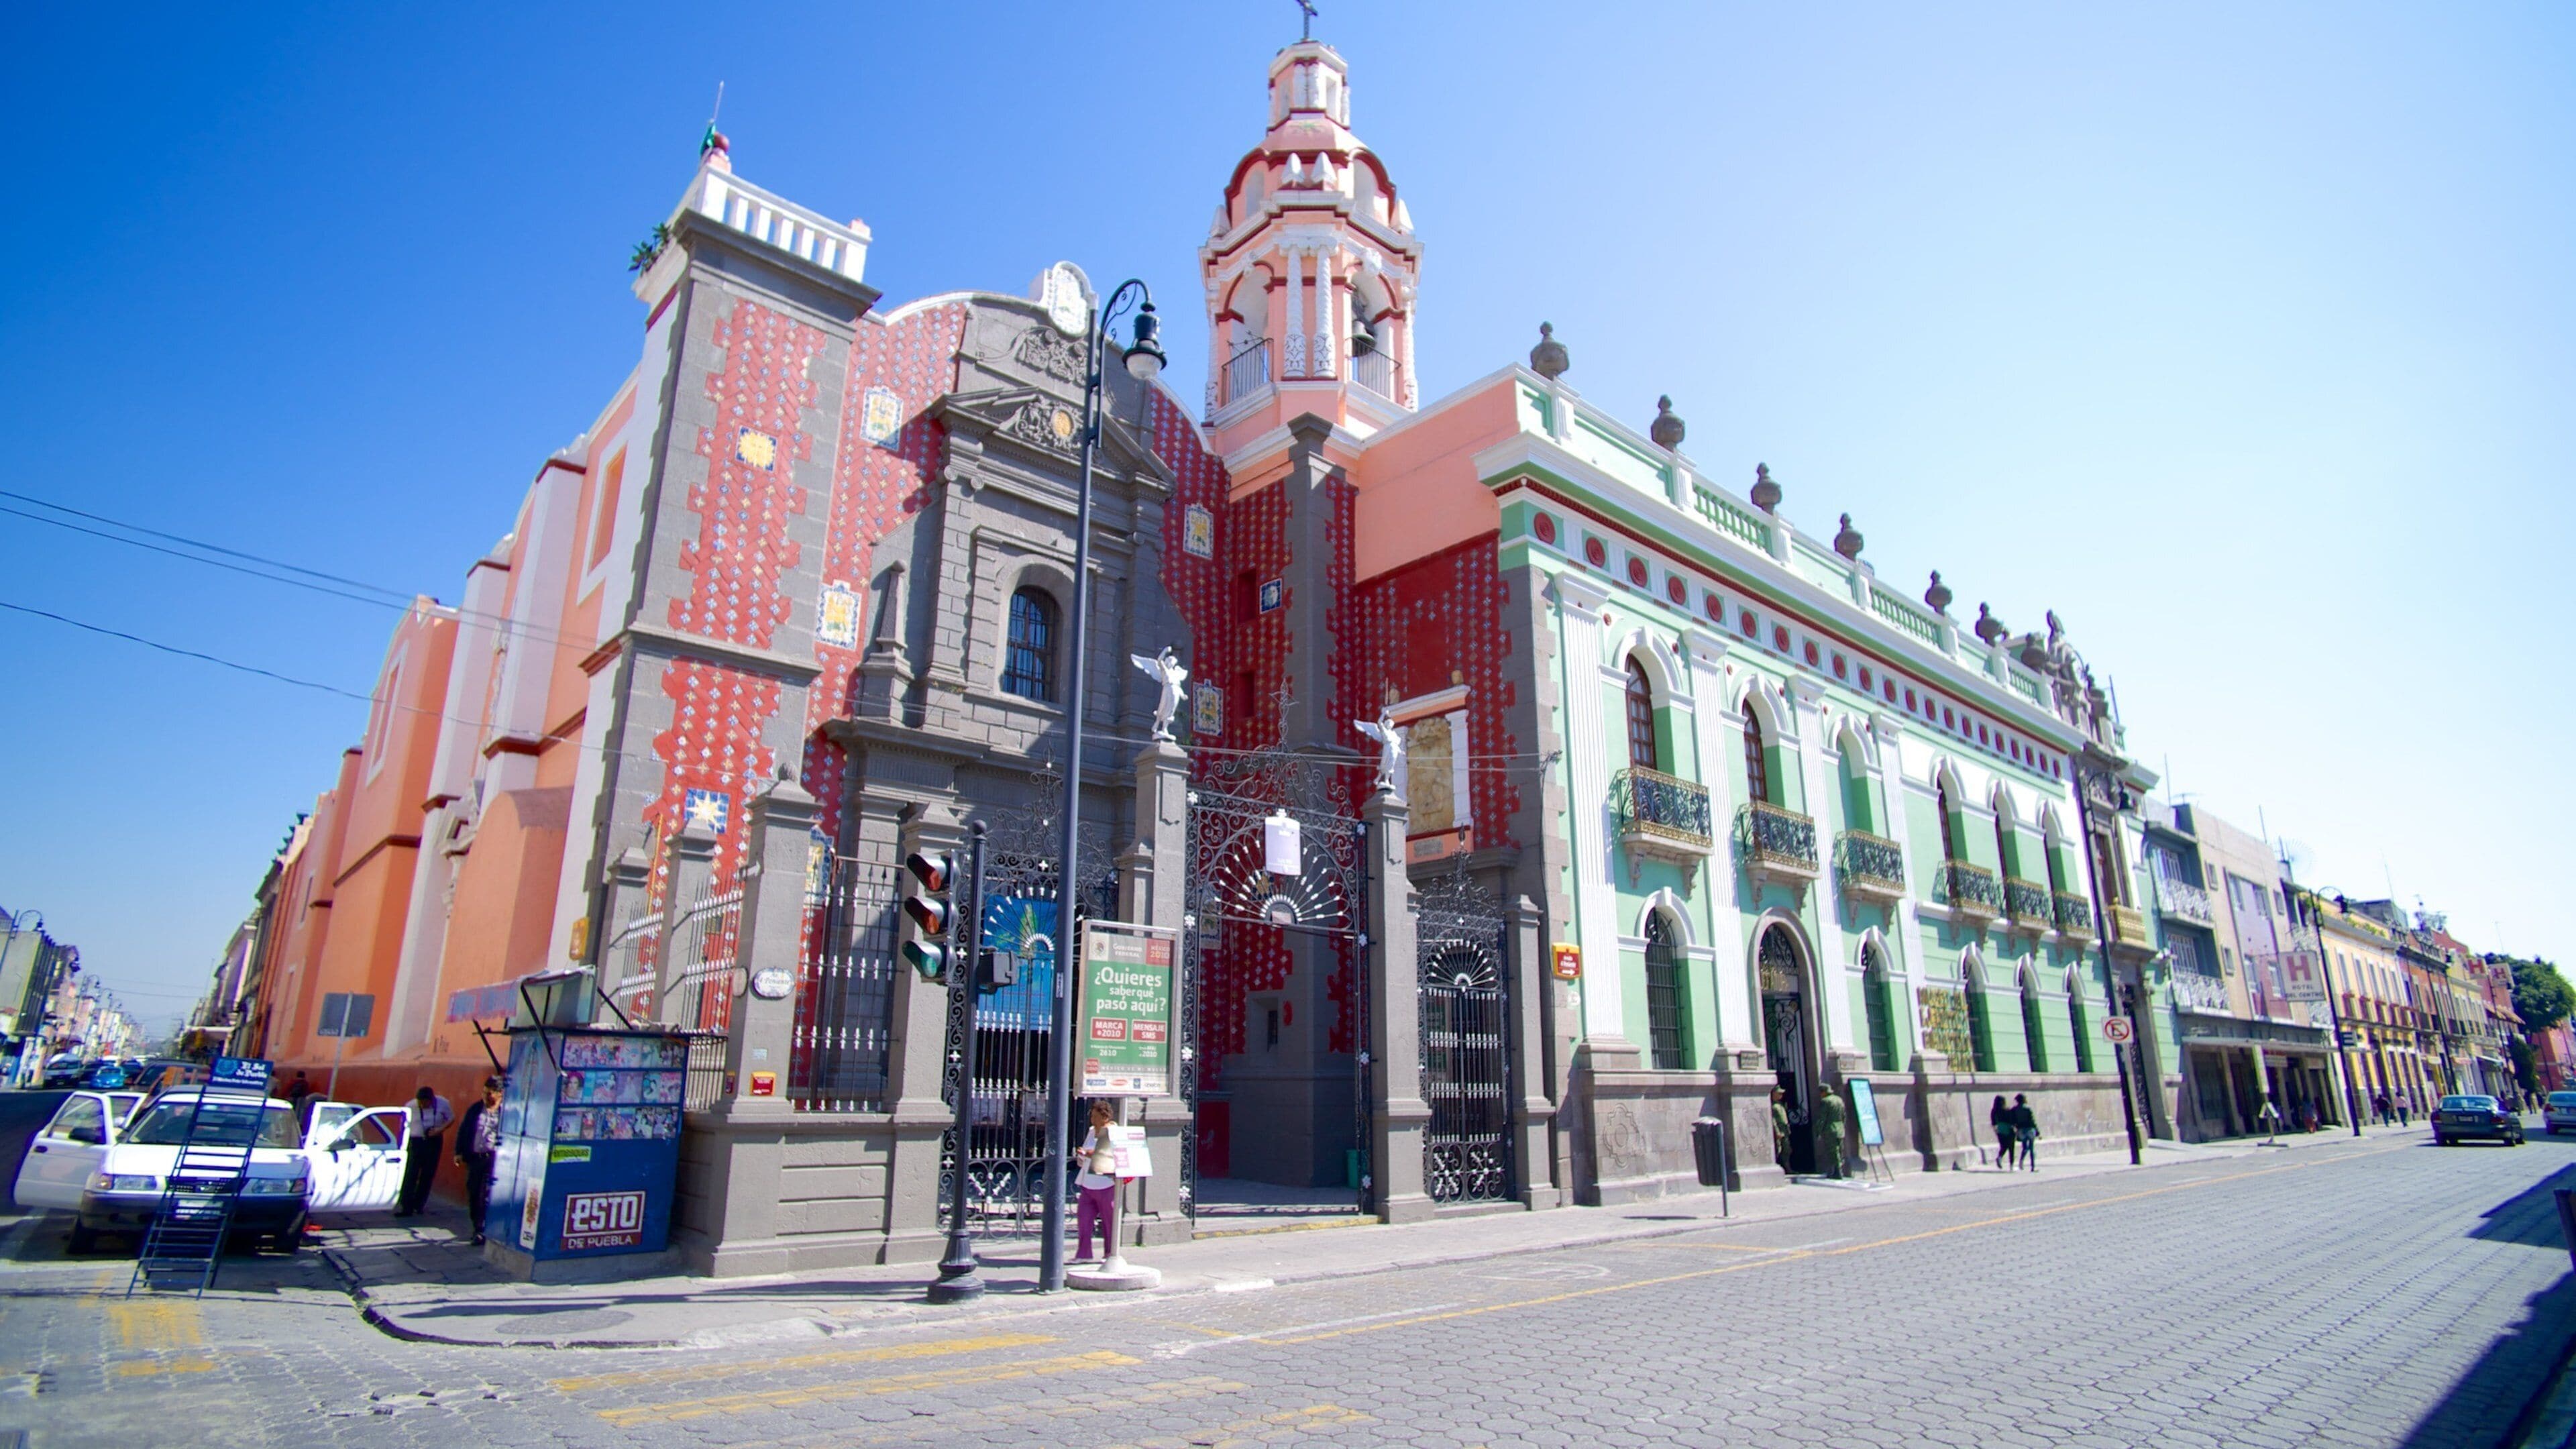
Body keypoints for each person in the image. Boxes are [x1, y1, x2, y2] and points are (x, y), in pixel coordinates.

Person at [453, 1076, 504, 1247]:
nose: (485, 1097)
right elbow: (464, 1129)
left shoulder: (506, 1112)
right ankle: (478, 1228)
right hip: (476, 1158)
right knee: (476, 1193)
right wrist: (459, 1152)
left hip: (496, 1159)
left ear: (500, 1094)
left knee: (492, 1195)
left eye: (489, 1094)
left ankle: (491, 1228)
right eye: (484, 1093)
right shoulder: (476, 1109)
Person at [396, 1085, 454, 1218]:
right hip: (416, 1141)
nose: (422, 1105)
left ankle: (419, 1204)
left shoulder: (443, 1103)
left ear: (431, 1100)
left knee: (428, 1174)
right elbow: (403, 1126)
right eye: (420, 1103)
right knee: (411, 1174)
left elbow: (451, 1118)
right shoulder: (410, 1106)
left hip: (434, 1141)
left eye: (424, 1103)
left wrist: (440, 1129)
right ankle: (406, 1206)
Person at [1073, 1102, 1119, 1264]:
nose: (1092, 1119)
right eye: (1091, 1116)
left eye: (1095, 1116)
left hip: (1105, 1183)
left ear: (1105, 1117)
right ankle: (1083, 1254)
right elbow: (1087, 1151)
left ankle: (1110, 1254)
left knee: (1109, 1223)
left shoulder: (1112, 1131)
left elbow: (1104, 1153)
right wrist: (1082, 1154)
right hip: (1088, 1183)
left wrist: (1088, 1153)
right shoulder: (1092, 1131)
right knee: (1084, 1219)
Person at [1815, 1085, 1848, 1179]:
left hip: (1830, 1129)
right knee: (1840, 1150)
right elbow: (1844, 1115)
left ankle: (1837, 1172)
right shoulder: (1839, 1100)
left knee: (1832, 1151)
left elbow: (1822, 1118)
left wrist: (1818, 1131)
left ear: (1823, 1092)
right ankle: (1839, 1170)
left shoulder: (1826, 1101)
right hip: (1840, 1128)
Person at [1770, 1087, 1792, 1171]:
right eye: (1779, 1093)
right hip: (1779, 1131)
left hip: (1784, 1130)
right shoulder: (1773, 1106)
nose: (1781, 1095)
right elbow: (1773, 1120)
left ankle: (1788, 1168)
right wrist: (1777, 1132)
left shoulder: (1780, 1105)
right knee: (1778, 1150)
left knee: (1787, 1149)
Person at [1989, 1094, 2012, 1170]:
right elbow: (2011, 1120)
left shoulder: (1994, 1110)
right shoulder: (2007, 1110)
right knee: (2011, 1147)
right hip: (2008, 1129)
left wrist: (1996, 1130)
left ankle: (2000, 1157)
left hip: (2000, 1129)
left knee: (2003, 1146)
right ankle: (2011, 1165)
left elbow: (1993, 1122)